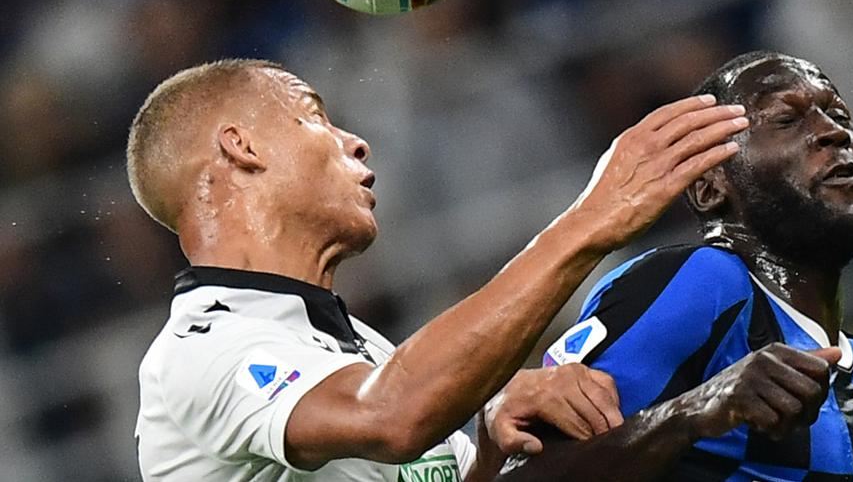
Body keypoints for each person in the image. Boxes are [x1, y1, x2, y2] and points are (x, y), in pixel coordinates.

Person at [128, 58, 750, 480]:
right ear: (243, 147)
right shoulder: (203, 348)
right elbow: (392, 416)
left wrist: (486, 434)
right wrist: (591, 221)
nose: (355, 142)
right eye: (314, 116)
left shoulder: (357, 349)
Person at [501, 51, 853, 481]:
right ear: (711, 185)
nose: (833, 134)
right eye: (787, 120)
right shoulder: (702, 286)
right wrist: (696, 411)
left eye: (839, 114)